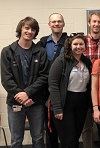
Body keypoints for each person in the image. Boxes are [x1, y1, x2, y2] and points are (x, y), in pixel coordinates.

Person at [1, 16, 48, 148]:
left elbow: (44, 77)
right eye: (27, 28)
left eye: (33, 29)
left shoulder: (41, 52)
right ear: (20, 29)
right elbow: (6, 79)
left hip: (36, 102)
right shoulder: (7, 51)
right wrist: (22, 96)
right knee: (16, 140)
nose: (29, 31)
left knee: (38, 138)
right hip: (15, 102)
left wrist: (27, 94)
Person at [49, 34, 92, 148]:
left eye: (81, 44)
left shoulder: (87, 62)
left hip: (81, 102)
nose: (78, 46)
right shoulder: (61, 61)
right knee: (68, 140)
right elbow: (53, 85)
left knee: (76, 137)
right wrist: (57, 108)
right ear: (70, 45)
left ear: (85, 46)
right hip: (65, 102)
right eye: (75, 44)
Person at [37, 13, 67, 148]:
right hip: (47, 91)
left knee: (67, 129)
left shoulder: (70, 42)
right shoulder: (41, 43)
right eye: (53, 22)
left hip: (66, 90)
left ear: (63, 24)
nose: (56, 24)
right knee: (50, 127)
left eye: (59, 21)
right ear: (49, 25)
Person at [83, 12, 100, 148]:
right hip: (85, 87)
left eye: (99, 22)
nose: (96, 24)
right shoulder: (82, 41)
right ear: (89, 23)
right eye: (94, 21)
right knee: (87, 126)